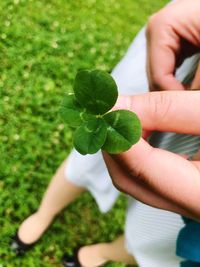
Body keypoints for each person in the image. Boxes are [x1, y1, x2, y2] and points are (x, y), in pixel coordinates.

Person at [11, 1, 200, 267]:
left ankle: (104, 253)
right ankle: (44, 213)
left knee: (158, 235)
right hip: (185, 58)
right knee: (93, 153)